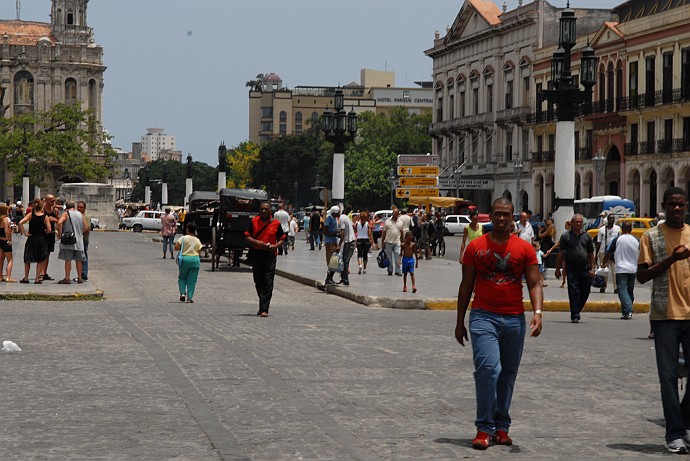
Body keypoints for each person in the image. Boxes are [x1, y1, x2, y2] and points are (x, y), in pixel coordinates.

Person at [455, 197, 543, 450]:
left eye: (506, 214)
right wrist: (459, 322)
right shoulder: (476, 247)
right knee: (488, 370)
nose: (501, 218)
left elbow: (535, 283)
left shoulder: (524, 249)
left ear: (513, 216)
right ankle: (484, 427)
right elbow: (466, 286)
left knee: (507, 375)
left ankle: (501, 426)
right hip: (483, 316)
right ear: (490, 215)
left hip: (514, 318)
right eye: (497, 213)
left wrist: (538, 312)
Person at [637, 187, 690, 454]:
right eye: (672, 205)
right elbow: (643, 276)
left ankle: (683, 418)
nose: (677, 209)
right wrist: (671, 259)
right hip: (665, 315)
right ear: (664, 205)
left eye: (681, 205)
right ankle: (675, 433)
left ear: (686, 205)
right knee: (668, 377)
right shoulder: (651, 236)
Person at [245, 201, 286, 317]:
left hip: (270, 256)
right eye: (261, 209)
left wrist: (274, 247)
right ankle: (262, 302)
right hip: (257, 254)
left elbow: (282, 239)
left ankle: (264, 309)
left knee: (268, 281)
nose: (263, 211)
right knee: (258, 281)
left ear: (270, 211)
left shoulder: (276, 224)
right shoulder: (254, 222)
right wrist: (257, 242)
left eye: (266, 209)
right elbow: (247, 237)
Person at [555, 214, 595, 323]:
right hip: (572, 267)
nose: (579, 224)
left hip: (584, 267)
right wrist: (558, 269)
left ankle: (577, 309)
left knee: (585, 291)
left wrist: (593, 268)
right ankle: (575, 314)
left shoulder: (587, 236)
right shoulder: (566, 236)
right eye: (576, 222)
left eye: (580, 222)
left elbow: (591, 253)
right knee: (573, 291)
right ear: (572, 223)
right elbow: (561, 253)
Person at [602, 220, 639, 320]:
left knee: (622, 290)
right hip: (633, 269)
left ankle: (627, 310)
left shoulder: (617, 239)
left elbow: (608, 252)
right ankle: (626, 312)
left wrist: (603, 263)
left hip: (621, 269)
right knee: (629, 291)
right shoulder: (636, 240)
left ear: (622, 229)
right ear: (631, 229)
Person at [18, 198, 50, 284]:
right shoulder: (45, 217)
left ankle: (26, 277)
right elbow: (49, 229)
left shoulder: (30, 215)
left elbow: (20, 222)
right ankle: (37, 278)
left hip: (31, 238)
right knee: (40, 259)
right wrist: (45, 232)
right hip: (41, 239)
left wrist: (24, 232)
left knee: (28, 258)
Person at [56, 201, 88, 284]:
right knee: (79, 260)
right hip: (79, 241)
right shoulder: (80, 214)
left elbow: (59, 222)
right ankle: (80, 278)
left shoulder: (66, 213)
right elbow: (86, 227)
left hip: (68, 240)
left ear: (66, 207)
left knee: (68, 260)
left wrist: (60, 234)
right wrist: (79, 233)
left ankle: (67, 278)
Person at [175, 222, 202, 303]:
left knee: (182, 277)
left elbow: (176, 247)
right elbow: (199, 252)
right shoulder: (197, 240)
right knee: (192, 280)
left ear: (187, 229)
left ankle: (182, 294)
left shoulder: (183, 238)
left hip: (185, 259)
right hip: (195, 259)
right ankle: (189, 297)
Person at [595, 213, 621, 293]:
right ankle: (603, 286)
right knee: (603, 270)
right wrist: (596, 254)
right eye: (610, 218)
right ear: (607, 220)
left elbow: (619, 240)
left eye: (613, 219)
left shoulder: (618, 229)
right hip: (603, 252)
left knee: (614, 270)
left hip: (613, 253)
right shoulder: (601, 230)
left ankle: (616, 288)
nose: (612, 220)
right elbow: (598, 242)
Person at [381, 206, 404, 276]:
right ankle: (390, 270)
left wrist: (402, 242)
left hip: (397, 242)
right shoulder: (387, 222)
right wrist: (383, 242)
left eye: (396, 213)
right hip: (388, 241)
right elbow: (384, 233)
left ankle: (398, 270)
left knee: (397, 256)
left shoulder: (400, 222)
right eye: (394, 213)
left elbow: (402, 233)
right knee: (389, 258)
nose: (395, 214)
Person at [42, 194, 59, 281]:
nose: (54, 202)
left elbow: (58, 220)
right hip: (43, 234)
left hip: (51, 234)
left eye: (54, 200)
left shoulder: (54, 210)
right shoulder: (42, 209)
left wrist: (55, 220)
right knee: (42, 253)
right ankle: (41, 272)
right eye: (52, 201)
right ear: (47, 201)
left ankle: (44, 272)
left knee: (48, 254)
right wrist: (47, 219)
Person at [338, 206, 356, 286]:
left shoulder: (341, 218)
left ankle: (345, 280)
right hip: (351, 241)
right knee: (344, 260)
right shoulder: (346, 217)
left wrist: (339, 244)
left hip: (349, 242)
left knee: (345, 260)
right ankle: (343, 278)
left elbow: (342, 232)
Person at [322, 205, 340, 285]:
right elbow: (325, 230)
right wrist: (333, 233)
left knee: (334, 261)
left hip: (334, 241)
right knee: (331, 261)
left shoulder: (334, 219)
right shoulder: (329, 218)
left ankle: (330, 278)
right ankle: (328, 279)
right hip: (330, 242)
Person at [76, 201, 91, 281]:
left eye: (81, 207)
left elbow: (87, 228)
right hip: (78, 239)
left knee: (83, 257)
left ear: (84, 208)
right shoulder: (77, 216)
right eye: (78, 207)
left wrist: (78, 233)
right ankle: (80, 274)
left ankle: (84, 274)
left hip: (83, 240)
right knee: (79, 257)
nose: (79, 209)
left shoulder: (86, 217)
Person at [0, 204, 15, 282]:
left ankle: (0, 276)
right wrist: (9, 240)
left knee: (1, 259)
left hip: (0, 240)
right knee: (10, 259)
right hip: (5, 240)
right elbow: (6, 231)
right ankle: (8, 276)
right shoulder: (6, 219)